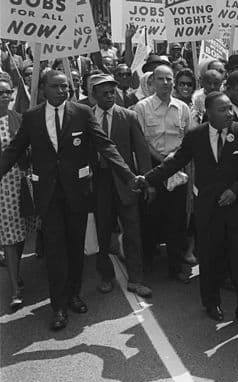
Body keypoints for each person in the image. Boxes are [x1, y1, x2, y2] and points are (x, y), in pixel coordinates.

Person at [0, 70, 136, 330]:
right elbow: (14, 151)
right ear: (43, 89)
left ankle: (74, 294)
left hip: (77, 194)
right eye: (56, 86)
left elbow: (105, 146)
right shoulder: (32, 118)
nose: (63, 91)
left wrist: (128, 175)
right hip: (48, 196)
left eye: (66, 87)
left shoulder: (82, 114)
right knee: (54, 251)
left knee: (76, 247)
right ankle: (58, 306)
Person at [136, 92, 238, 327]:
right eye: (222, 109)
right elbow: (175, 162)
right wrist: (148, 179)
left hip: (237, 209)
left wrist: (235, 190)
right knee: (209, 259)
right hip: (208, 209)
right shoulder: (196, 136)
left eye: (230, 109)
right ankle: (211, 303)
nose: (229, 113)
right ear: (208, 113)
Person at [89, 74, 153, 297]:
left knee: (132, 232)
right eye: (104, 93)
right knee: (103, 232)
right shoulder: (85, 117)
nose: (109, 96)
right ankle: (106, 276)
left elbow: (141, 152)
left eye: (112, 92)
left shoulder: (128, 116)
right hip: (99, 182)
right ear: (93, 94)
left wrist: (147, 181)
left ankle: (136, 279)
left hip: (127, 183)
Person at [133, 65, 192, 282]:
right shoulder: (142, 107)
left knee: (176, 221)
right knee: (150, 218)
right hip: (153, 171)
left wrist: (175, 160)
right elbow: (141, 141)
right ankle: (147, 261)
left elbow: (187, 138)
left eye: (169, 79)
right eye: (160, 79)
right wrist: (162, 161)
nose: (165, 83)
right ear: (151, 83)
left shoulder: (182, 107)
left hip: (177, 172)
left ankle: (175, 266)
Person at [0, 78, 32, 310]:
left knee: (19, 235)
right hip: (2, 188)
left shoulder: (18, 119)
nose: (3, 96)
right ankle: (14, 289)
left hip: (19, 184)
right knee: (10, 238)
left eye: (6, 92)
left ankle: (16, 268)